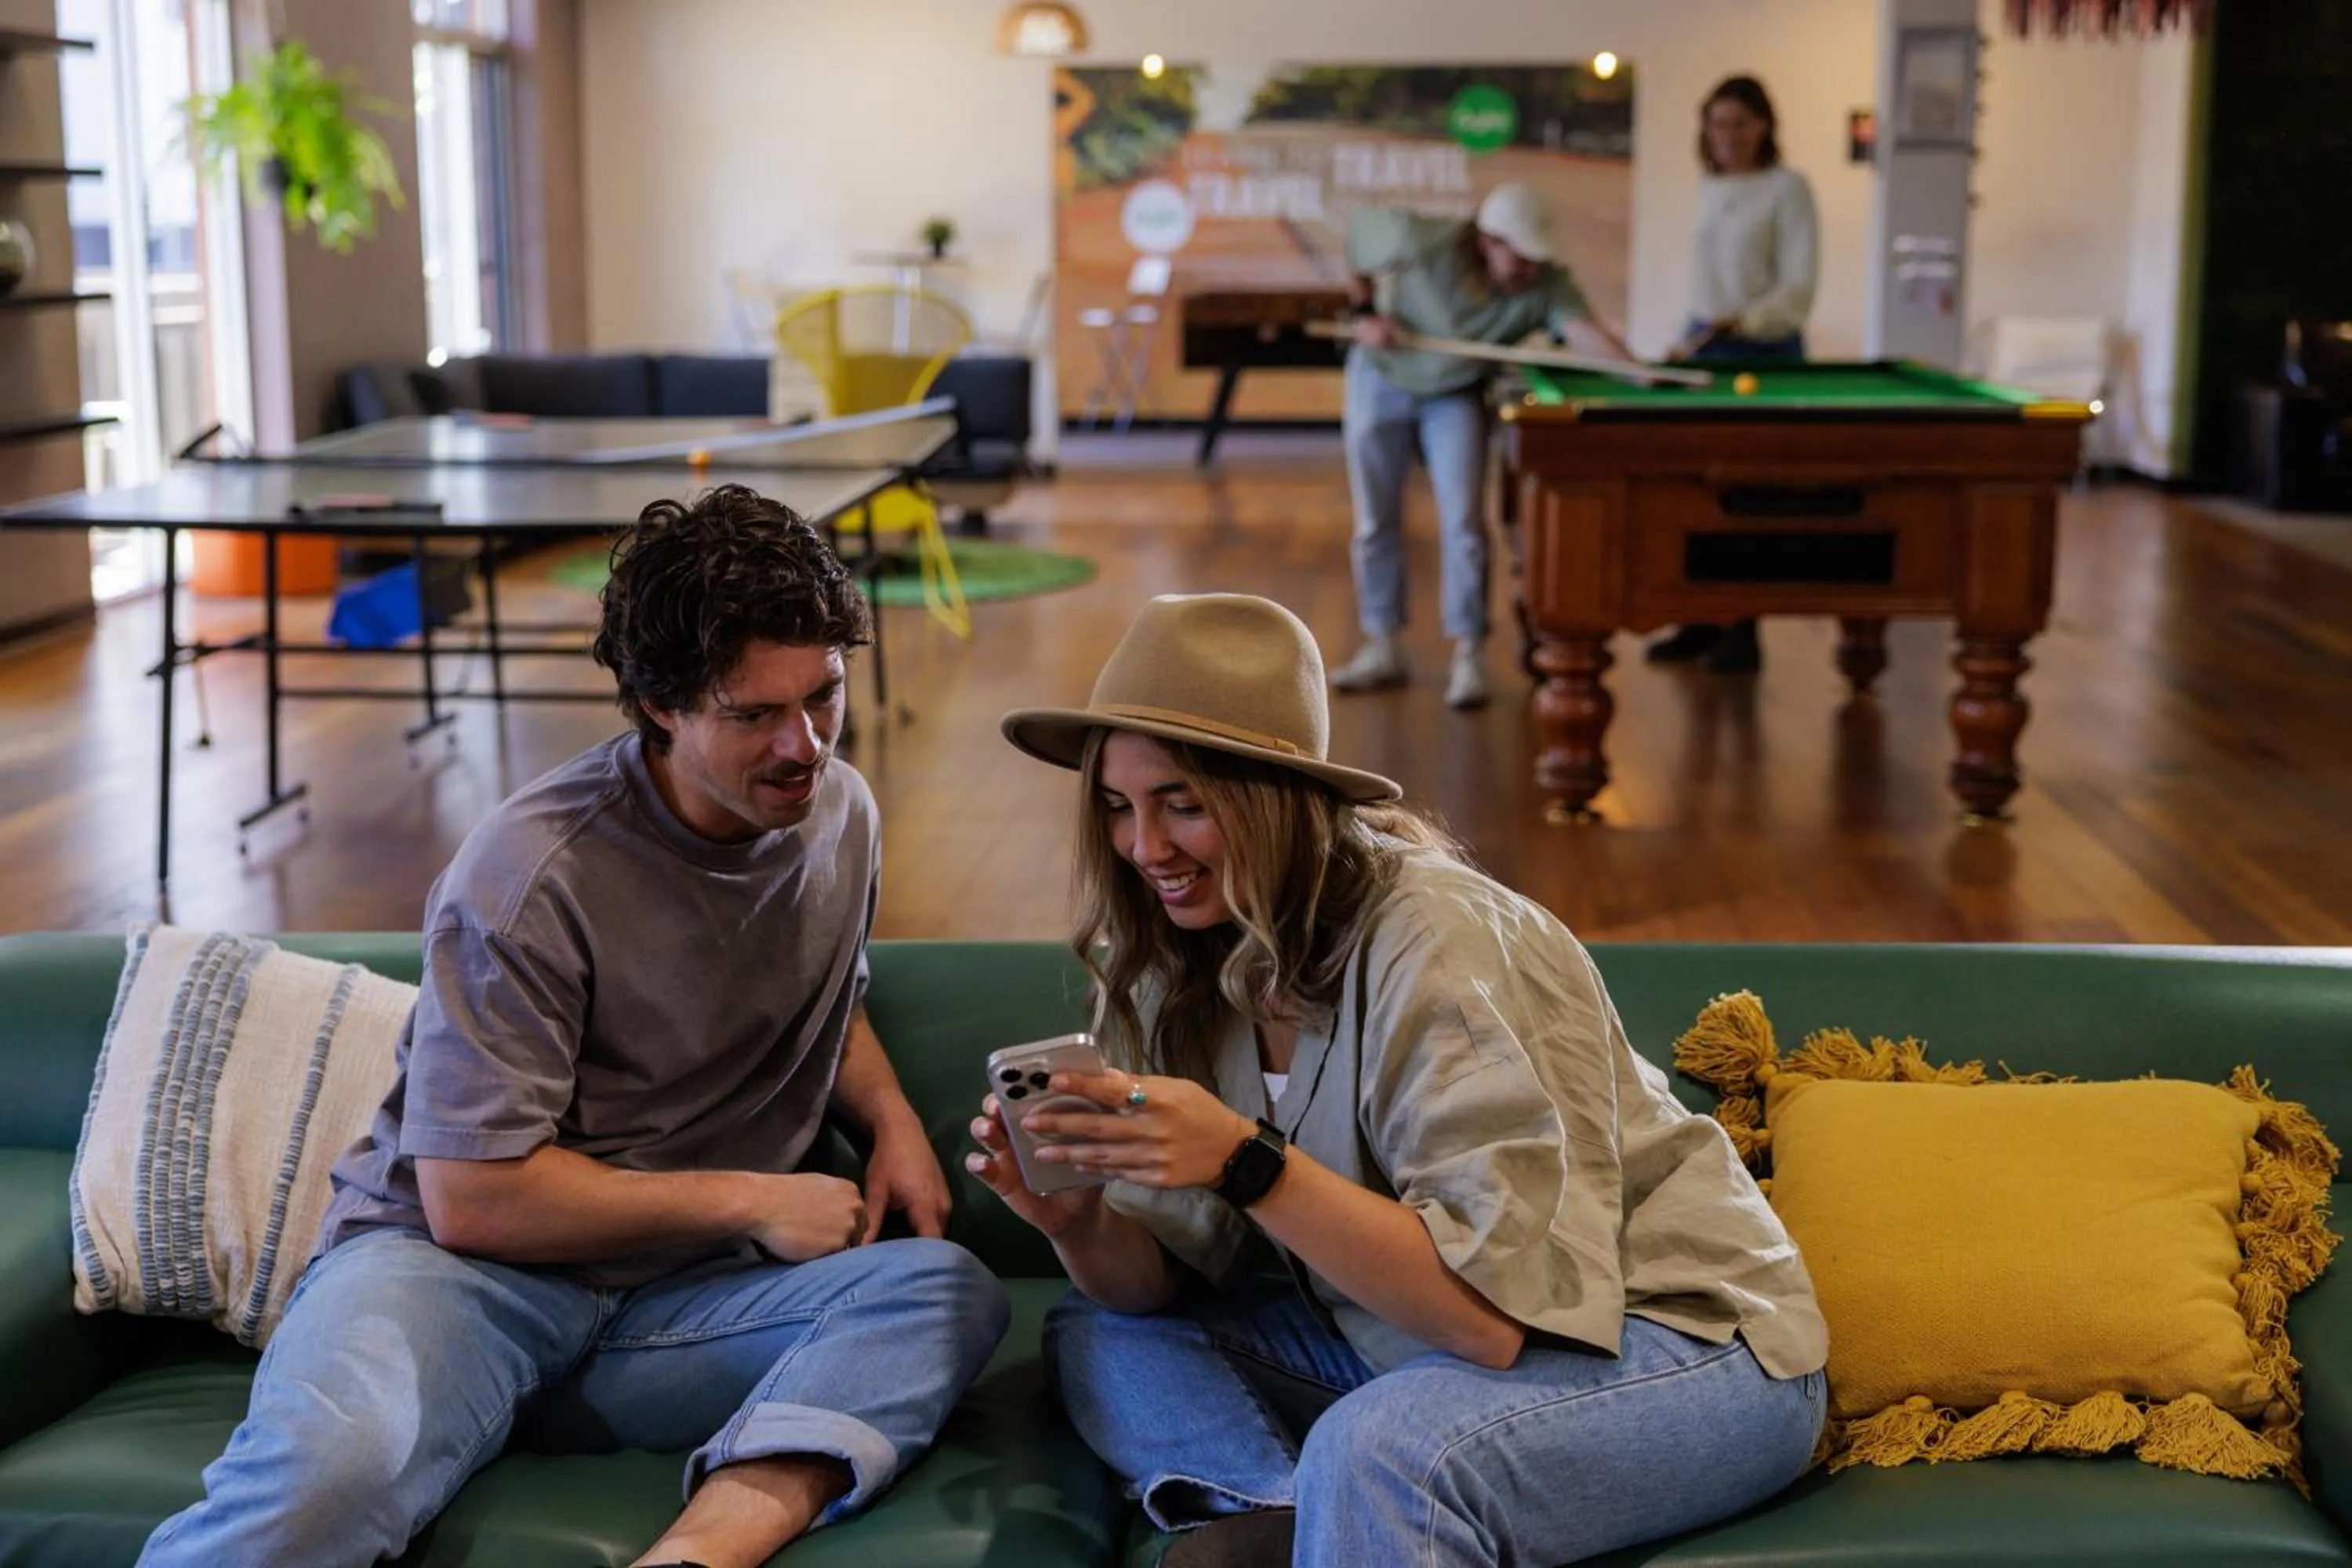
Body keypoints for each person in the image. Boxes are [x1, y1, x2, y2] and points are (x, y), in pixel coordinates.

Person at [140, 485, 1010, 1568]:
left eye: (823, 694)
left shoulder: (837, 814)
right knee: (330, 1480)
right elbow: (472, 1199)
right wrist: (754, 1198)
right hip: (459, 1281)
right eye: (753, 716)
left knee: (944, 1295)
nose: (806, 745)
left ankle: (692, 1555)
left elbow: (827, 993)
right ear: (659, 703)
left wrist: (889, 1122)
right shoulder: (532, 874)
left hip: (685, 1303)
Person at [975, 592, 1828, 1567]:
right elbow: (1161, 1280)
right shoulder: (1180, 952)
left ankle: (1331, 1510)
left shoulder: (1438, 937)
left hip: (1679, 1351)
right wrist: (1078, 1220)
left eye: (1183, 803)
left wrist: (1248, 1162)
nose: (1144, 848)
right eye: (1120, 807)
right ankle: (1291, 1518)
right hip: (1405, 1344)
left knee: (1384, 1450)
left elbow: (1494, 1320)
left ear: (1272, 799)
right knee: (1100, 1331)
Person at [1331, 182, 1639, 711]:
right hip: (1381, 377)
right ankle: (1382, 645)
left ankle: (1469, 655)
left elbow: (1587, 335)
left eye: (1533, 255)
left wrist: (1641, 373)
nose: (1526, 267)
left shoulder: (1546, 283)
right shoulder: (1424, 239)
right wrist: (1365, 314)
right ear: (1486, 240)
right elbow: (1356, 244)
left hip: (1455, 392)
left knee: (1465, 523)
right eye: (1515, 253)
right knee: (1376, 520)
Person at [1652, 74, 1820, 674]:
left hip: (1766, 356)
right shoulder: (1708, 186)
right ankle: (1699, 622)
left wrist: (1744, 321)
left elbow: (1798, 287)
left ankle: (1742, 632)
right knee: (1695, 493)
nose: (1728, 136)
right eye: (1718, 124)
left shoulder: (1787, 189)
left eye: (1741, 124)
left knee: (1750, 497)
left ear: (1765, 127)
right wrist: (1690, 337)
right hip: (1707, 352)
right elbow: (1707, 285)